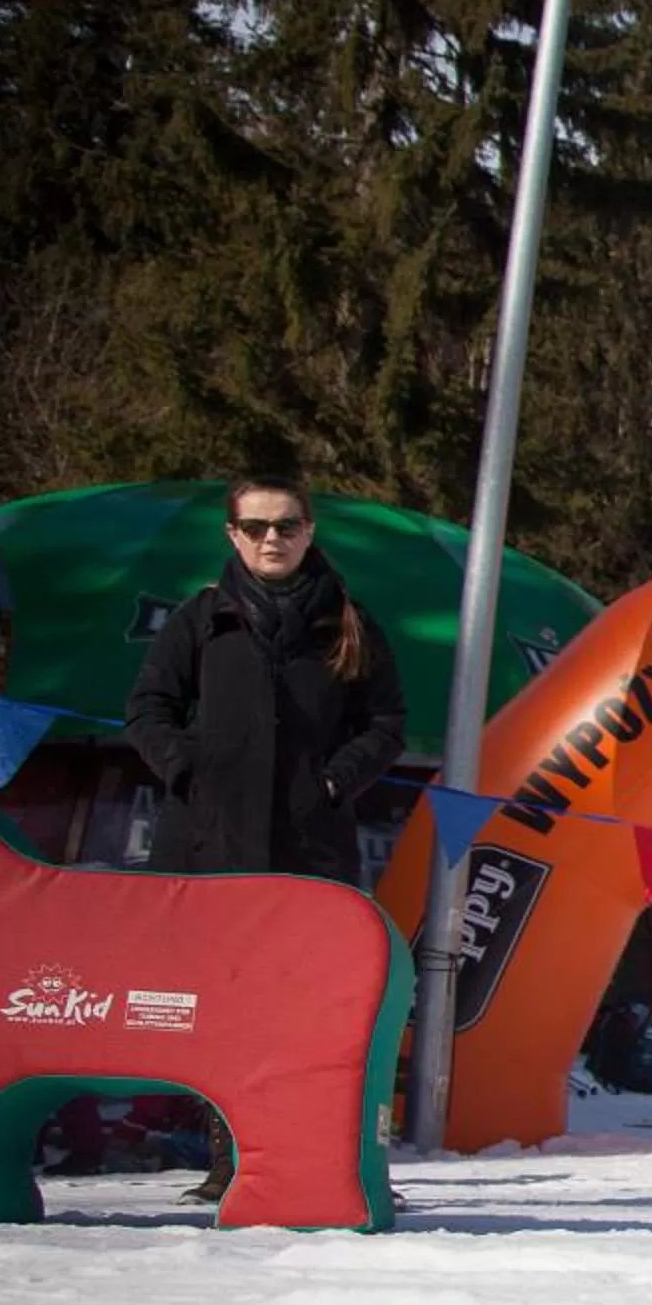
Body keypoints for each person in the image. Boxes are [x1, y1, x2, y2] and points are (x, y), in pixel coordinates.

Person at [125, 474, 408, 1204]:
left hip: (310, 846)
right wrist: (188, 771)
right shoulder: (201, 619)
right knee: (223, 1009)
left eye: (286, 525)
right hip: (212, 847)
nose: (271, 538)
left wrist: (335, 783)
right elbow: (148, 709)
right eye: (255, 527)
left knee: (313, 1010)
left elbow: (385, 724)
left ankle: (321, 1157)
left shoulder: (348, 623)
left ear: (310, 531)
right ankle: (229, 1160)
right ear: (233, 536)